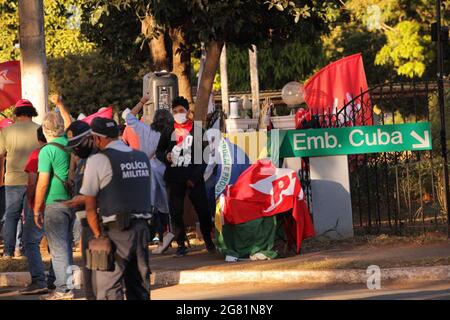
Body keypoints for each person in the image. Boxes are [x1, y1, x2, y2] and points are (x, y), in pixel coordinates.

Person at [80, 117, 151, 300]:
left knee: (109, 288)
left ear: (97, 139)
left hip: (116, 232)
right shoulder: (142, 157)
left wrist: (97, 235)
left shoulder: (98, 160)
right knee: (139, 285)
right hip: (142, 229)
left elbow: (90, 205)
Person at [155, 96, 215, 257]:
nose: (178, 114)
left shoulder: (197, 130)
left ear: (188, 112)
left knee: (203, 211)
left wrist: (194, 178)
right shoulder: (168, 130)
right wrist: (165, 156)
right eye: (175, 112)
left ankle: (208, 241)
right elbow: (159, 152)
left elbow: (205, 157)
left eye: (181, 111)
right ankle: (181, 245)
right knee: (175, 213)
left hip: (194, 179)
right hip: (174, 178)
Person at [122, 96, 174, 254]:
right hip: (163, 169)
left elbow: (128, 116)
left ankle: (147, 239)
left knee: (149, 206)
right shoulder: (169, 135)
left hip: (145, 170)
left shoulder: (144, 129)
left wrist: (142, 102)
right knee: (167, 206)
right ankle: (169, 236)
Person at [34, 111, 74, 300]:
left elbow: (42, 183)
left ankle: (63, 289)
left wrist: (36, 209)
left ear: (44, 129)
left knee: (58, 249)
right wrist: (60, 106)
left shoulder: (47, 151)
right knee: (66, 246)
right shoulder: (69, 144)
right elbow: (68, 121)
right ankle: (66, 283)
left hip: (54, 201)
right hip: (71, 201)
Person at [0, 99, 40, 259]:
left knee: (11, 216)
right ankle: (26, 248)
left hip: (13, 180)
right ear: (32, 112)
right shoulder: (40, 129)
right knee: (31, 215)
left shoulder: (7, 131)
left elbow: (1, 156)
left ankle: (8, 251)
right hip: (35, 179)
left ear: (17, 113)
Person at [62, 120, 97, 300]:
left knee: (101, 275)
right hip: (85, 225)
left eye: (78, 144)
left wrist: (80, 199)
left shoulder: (99, 158)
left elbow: (103, 191)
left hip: (98, 226)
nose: (76, 149)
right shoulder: (83, 159)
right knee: (89, 273)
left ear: (90, 138)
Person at [20, 126, 56, 294]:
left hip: (40, 205)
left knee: (31, 242)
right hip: (60, 203)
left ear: (38, 138)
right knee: (58, 246)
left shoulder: (37, 154)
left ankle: (38, 280)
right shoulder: (62, 151)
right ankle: (57, 280)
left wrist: (30, 202)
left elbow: (33, 182)